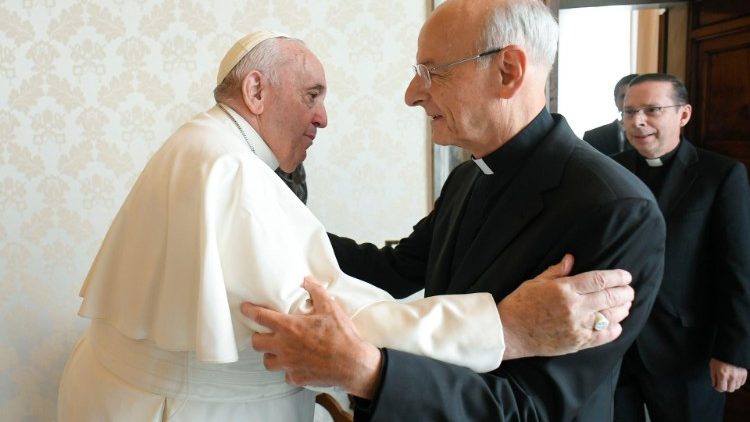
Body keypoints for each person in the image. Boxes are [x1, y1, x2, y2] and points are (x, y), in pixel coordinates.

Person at [57, 31, 634, 421]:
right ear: (256, 91)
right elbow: (326, 319)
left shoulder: (614, 205)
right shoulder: (228, 165)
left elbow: (379, 269)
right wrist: (502, 328)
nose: (323, 117)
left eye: (432, 73)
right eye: (312, 95)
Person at [243, 1, 666, 420]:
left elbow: (535, 408)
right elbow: (393, 269)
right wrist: (275, 224)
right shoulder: (469, 176)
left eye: (432, 73)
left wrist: (369, 373)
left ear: (508, 71)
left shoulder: (616, 210)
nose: (412, 96)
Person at [612, 73, 750, 422]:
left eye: (652, 110)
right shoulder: (609, 170)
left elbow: (738, 267)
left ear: (683, 115)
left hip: (685, 351)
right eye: (629, 112)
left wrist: (733, 351)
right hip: (615, 346)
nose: (638, 121)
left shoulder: (721, 175)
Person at [583, 73, 638, 155]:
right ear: (616, 102)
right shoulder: (593, 137)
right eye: (623, 96)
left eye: (636, 96)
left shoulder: (656, 136)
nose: (629, 102)